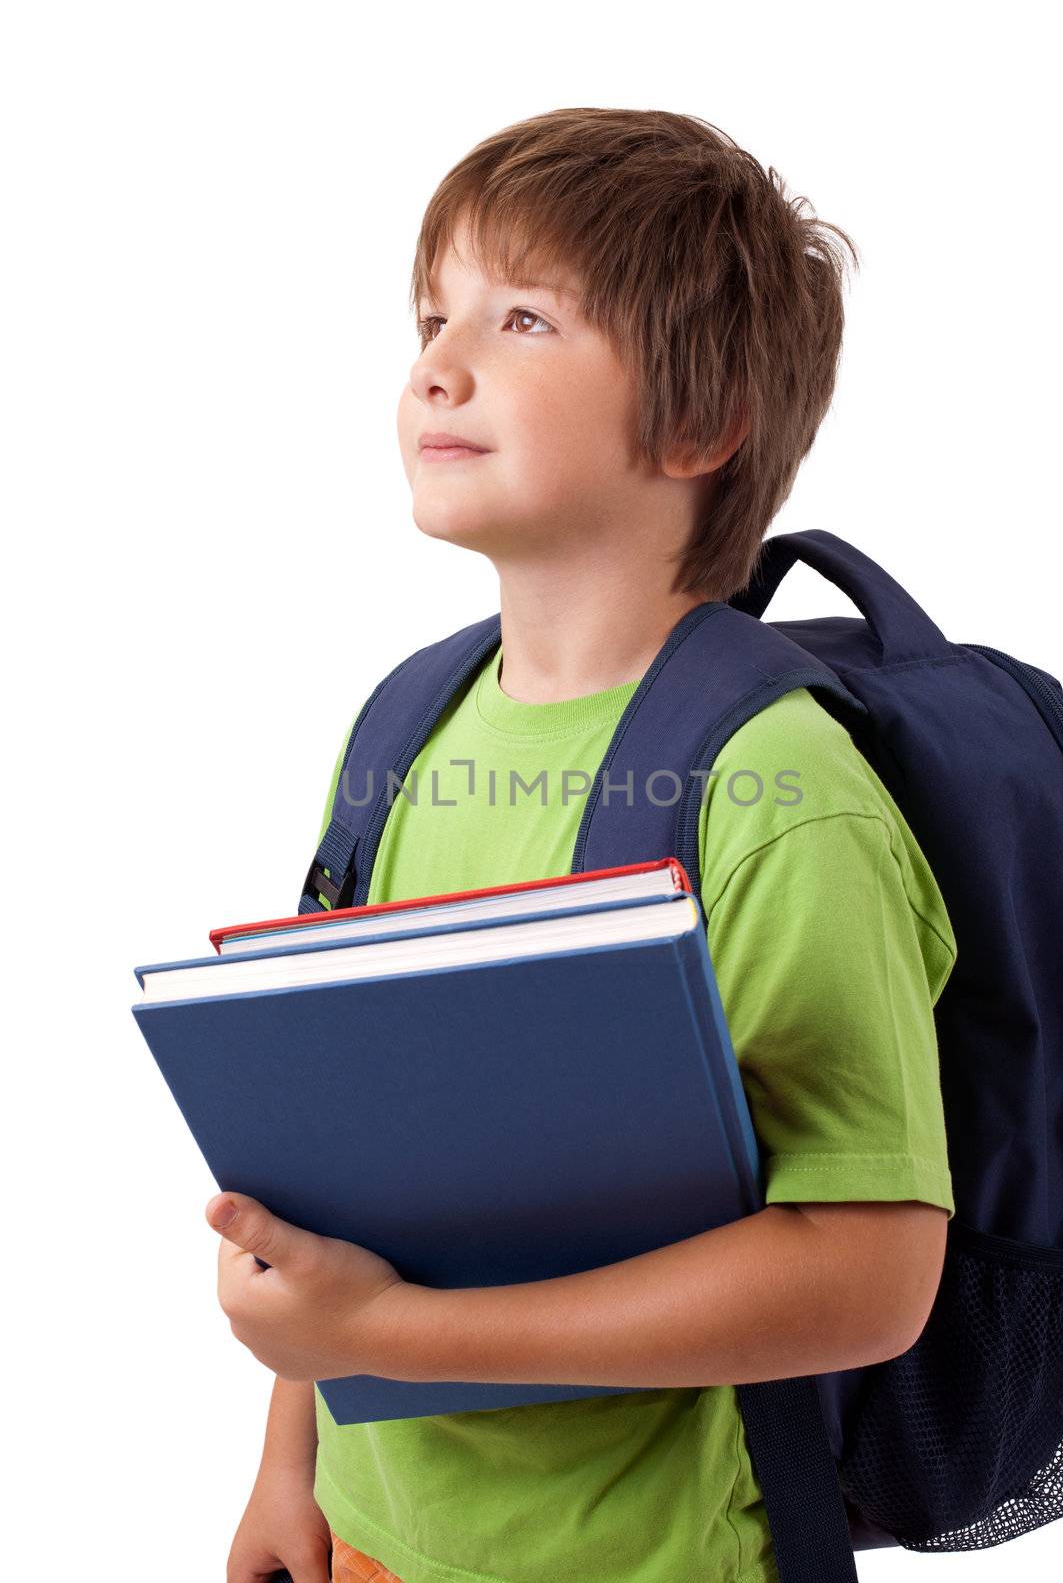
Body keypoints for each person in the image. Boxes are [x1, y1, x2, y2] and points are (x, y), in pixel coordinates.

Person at [213, 107, 956, 1583]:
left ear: (696, 428)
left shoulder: (779, 792)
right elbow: (349, 1150)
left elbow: (870, 1273)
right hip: (376, 1535)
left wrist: (392, 1336)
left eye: (524, 318)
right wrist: (289, 1464)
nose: (437, 360)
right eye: (432, 315)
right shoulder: (403, 730)